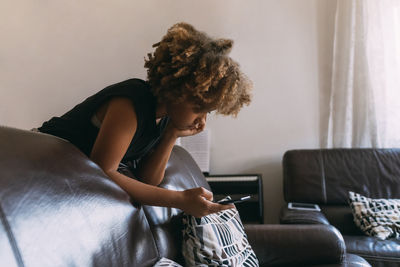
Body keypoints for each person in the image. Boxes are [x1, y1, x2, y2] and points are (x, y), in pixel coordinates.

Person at [34, 22, 253, 218]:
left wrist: (172, 133)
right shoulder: (131, 102)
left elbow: (148, 180)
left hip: (65, 174)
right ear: (176, 91)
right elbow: (104, 171)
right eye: (199, 109)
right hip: (40, 164)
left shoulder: (164, 118)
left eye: (208, 112)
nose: (202, 121)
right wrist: (180, 200)